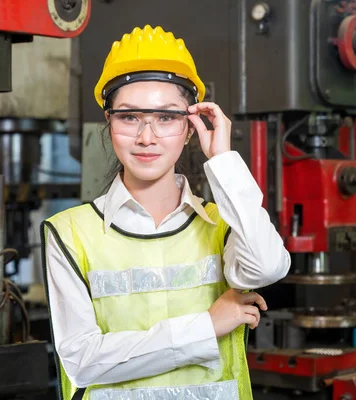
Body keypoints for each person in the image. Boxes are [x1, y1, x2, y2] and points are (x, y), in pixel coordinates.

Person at [40, 25, 290, 400]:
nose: (146, 137)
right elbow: (83, 361)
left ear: (191, 128)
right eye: (129, 117)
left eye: (166, 118)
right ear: (108, 123)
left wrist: (223, 159)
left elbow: (269, 267)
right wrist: (207, 326)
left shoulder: (223, 224)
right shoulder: (69, 233)